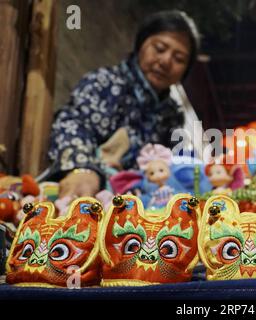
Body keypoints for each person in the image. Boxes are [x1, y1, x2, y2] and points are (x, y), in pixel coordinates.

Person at [47, 10, 200, 199]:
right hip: (86, 194)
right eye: (159, 48)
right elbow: (73, 123)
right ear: (140, 45)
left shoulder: (171, 117)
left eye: (179, 59)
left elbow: (177, 163)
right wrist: (83, 168)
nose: (166, 61)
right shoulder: (105, 83)